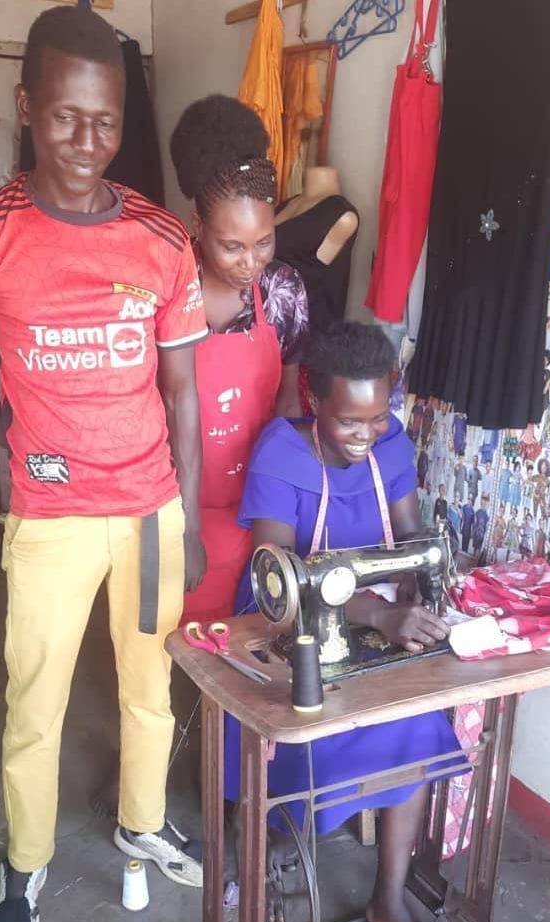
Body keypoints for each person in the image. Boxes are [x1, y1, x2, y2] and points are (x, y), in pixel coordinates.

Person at [0, 7, 208, 922]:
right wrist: (22, 437)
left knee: (151, 683)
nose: (86, 141)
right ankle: (25, 860)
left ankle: (141, 819)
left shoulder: (160, 238)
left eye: (105, 122)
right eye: (66, 117)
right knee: (37, 697)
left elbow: (181, 392)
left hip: (148, 513)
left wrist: (185, 518)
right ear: (26, 106)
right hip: (52, 518)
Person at [225, 322, 463, 922]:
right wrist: (381, 614)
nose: (366, 434)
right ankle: (271, 841)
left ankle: (389, 899)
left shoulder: (390, 444)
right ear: (314, 400)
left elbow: (411, 536)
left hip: (372, 616)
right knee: (307, 728)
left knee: (416, 719)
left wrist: (417, 590)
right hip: (286, 623)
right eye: (348, 421)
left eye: (377, 417)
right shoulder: (282, 453)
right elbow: (279, 576)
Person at [169, 94, 307, 626]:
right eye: (232, 246)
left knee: (253, 642)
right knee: (176, 646)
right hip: (177, 510)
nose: (251, 263)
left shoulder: (283, 291)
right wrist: (183, 527)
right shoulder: (167, 290)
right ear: (197, 225)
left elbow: (288, 402)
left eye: (264, 242)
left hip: (258, 508)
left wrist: (282, 510)